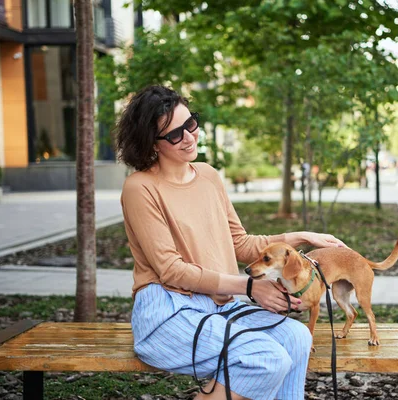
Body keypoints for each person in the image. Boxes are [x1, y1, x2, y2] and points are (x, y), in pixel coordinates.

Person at [115, 85, 347, 400]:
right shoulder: (140, 188)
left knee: (297, 339)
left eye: (191, 124)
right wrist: (249, 288)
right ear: (150, 143)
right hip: (168, 311)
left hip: (219, 306)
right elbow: (171, 271)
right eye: (174, 135)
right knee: (267, 359)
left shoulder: (208, 176)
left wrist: (300, 237)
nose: (189, 137)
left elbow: (239, 242)